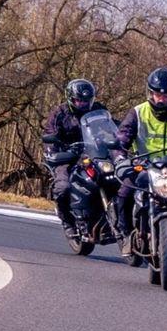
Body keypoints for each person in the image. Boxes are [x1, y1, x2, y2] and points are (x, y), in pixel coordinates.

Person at [112, 67, 167, 257]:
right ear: (150, 93)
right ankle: (127, 234)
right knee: (126, 190)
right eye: (158, 95)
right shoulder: (138, 112)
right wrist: (120, 157)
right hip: (144, 167)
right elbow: (122, 138)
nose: (162, 99)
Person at [42, 79, 106, 237]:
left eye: (86, 101)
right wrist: (54, 153)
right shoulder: (59, 113)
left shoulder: (99, 110)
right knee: (63, 187)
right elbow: (49, 135)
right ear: (70, 98)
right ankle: (67, 220)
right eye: (79, 101)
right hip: (67, 156)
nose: (82, 104)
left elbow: (113, 127)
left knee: (117, 179)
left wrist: (117, 139)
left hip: (94, 155)